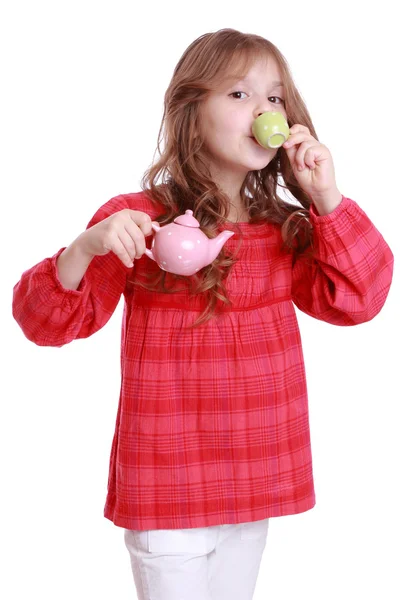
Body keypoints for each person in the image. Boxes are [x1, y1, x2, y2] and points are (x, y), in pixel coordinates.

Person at [12, 28, 394, 600]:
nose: (263, 109)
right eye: (239, 94)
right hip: (168, 481)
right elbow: (45, 323)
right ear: (191, 112)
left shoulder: (287, 227)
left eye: (274, 96)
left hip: (255, 477)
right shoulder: (139, 218)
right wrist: (85, 247)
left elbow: (360, 298)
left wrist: (328, 200)